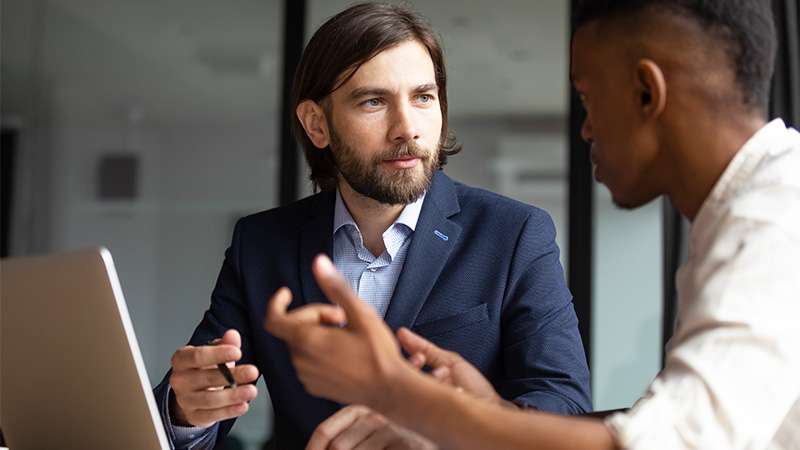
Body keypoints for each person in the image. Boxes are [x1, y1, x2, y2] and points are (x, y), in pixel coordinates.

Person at [266, 0, 800, 449]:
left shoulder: (771, 219)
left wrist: (405, 396)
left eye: (588, 98)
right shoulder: (743, 212)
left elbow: (664, 442)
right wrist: (493, 408)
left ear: (645, 92)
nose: (585, 129)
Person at [154, 3, 592, 449]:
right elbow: (215, 382)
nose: (407, 128)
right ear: (317, 124)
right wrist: (186, 409)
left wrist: (448, 427)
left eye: (423, 97)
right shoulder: (262, 245)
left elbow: (565, 406)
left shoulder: (514, 234)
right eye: (374, 101)